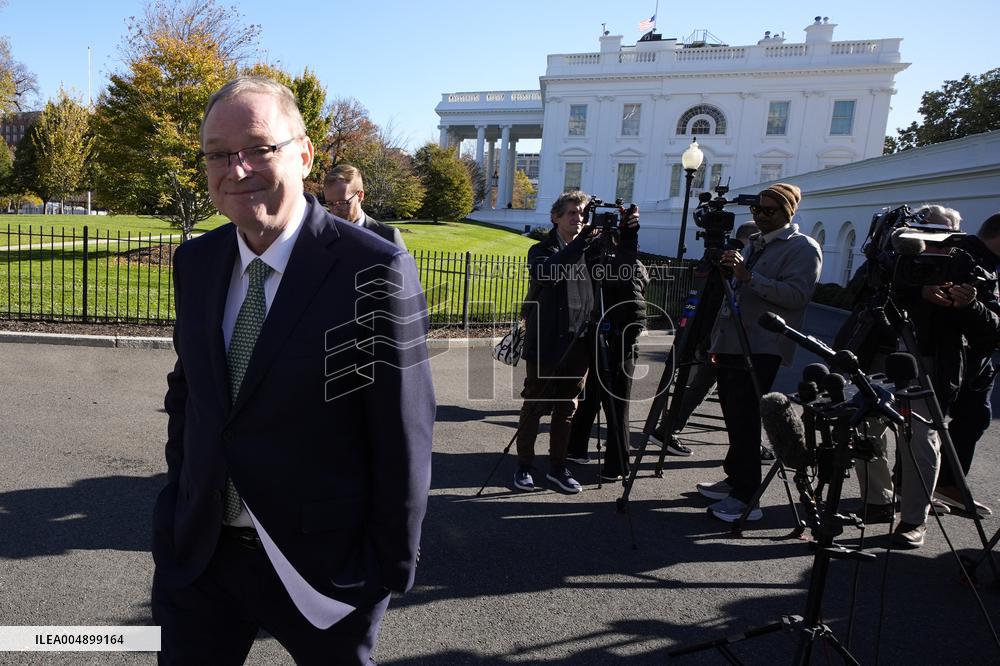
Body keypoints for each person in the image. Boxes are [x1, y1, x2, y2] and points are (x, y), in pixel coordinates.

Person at [151, 76, 435, 664]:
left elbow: (403, 431)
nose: (237, 168)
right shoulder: (197, 262)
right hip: (202, 559)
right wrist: (175, 509)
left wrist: (386, 570)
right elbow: (191, 397)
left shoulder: (375, 269)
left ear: (304, 154)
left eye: (259, 148)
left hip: (324, 571)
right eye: (218, 154)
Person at [859, 207, 1000, 547]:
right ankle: (878, 500)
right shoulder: (892, 258)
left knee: (921, 439)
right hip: (879, 355)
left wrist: (970, 305)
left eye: (946, 238)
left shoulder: (969, 267)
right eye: (930, 237)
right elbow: (862, 290)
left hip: (929, 364)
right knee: (864, 428)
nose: (937, 247)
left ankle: (913, 521)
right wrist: (914, 289)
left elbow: (992, 331)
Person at [695, 183, 822, 522]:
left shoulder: (802, 248)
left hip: (762, 346)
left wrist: (749, 276)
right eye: (757, 210)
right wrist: (716, 341)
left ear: (787, 212)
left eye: (770, 211)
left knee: (747, 417)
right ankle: (736, 478)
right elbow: (732, 293)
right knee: (733, 417)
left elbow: (797, 295)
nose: (761, 216)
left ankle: (747, 497)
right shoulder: (753, 243)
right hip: (733, 342)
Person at [514, 190, 611, 494]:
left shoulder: (593, 251)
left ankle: (558, 467)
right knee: (534, 404)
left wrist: (628, 235)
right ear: (555, 217)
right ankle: (524, 467)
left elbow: (625, 271)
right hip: (546, 340)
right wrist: (583, 241)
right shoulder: (540, 250)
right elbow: (549, 273)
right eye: (570, 213)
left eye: (582, 213)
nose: (578, 218)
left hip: (579, 342)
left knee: (567, 407)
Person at [649, 221, 760, 457]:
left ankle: (669, 428)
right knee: (733, 389)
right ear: (749, 239)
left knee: (704, 384)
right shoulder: (731, 259)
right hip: (719, 332)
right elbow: (719, 299)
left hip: (710, 332)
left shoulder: (721, 257)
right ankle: (747, 445)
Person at [565, 218, 647, 481]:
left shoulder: (626, 263)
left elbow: (635, 302)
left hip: (620, 335)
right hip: (603, 331)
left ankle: (617, 464)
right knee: (592, 394)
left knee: (617, 401)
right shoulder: (607, 260)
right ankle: (576, 448)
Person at [323, 163, 407, 250]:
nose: (335, 211)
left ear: (360, 196)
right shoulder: (320, 235)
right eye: (330, 204)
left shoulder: (388, 237)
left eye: (342, 202)